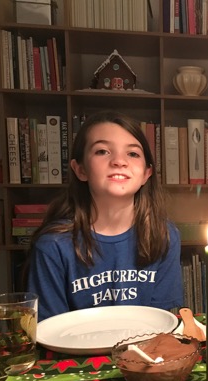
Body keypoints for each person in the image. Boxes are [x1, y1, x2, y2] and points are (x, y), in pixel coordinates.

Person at [27, 111, 183, 321]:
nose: (119, 161)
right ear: (80, 169)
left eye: (133, 154)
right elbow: (50, 329)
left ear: (147, 173)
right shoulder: (53, 246)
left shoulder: (164, 235)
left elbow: (162, 321)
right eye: (102, 151)